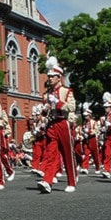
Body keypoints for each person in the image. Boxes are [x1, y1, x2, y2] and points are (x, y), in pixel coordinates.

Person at [37, 58, 77, 194]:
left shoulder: (66, 91)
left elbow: (72, 106)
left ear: (59, 77)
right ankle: (47, 181)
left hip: (63, 122)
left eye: (52, 76)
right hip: (52, 124)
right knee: (50, 153)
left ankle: (72, 181)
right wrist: (45, 109)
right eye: (48, 76)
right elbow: (44, 112)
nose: (49, 79)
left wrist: (59, 102)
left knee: (67, 153)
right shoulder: (47, 94)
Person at [80, 107, 102, 175]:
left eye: (86, 115)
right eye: (85, 116)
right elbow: (83, 130)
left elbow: (96, 130)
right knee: (86, 153)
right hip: (87, 139)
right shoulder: (84, 123)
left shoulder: (94, 122)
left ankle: (98, 168)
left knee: (95, 154)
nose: (85, 117)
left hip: (93, 139)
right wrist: (84, 134)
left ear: (90, 115)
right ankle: (85, 167)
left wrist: (89, 132)